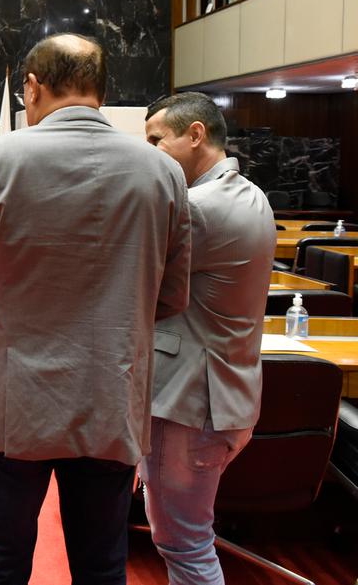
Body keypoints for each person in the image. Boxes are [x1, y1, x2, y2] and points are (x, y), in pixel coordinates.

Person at [0, 34, 193, 585]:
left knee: (1, 562)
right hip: (112, 393)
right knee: (101, 564)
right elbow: (173, 295)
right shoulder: (163, 172)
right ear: (101, 89)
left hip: (11, 398)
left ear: (32, 88)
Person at [140, 92, 275, 585]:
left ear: (195, 135)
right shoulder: (250, 192)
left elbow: (126, 275)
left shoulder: (197, 207)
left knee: (184, 545)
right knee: (188, 540)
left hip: (190, 404)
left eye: (157, 140)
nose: (150, 151)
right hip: (224, 394)